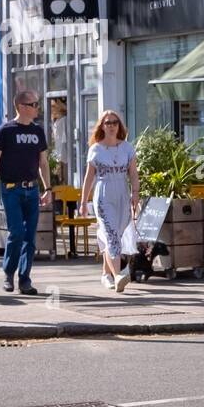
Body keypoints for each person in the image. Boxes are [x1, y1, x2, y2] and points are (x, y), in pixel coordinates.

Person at [0, 89, 53, 295]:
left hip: (32, 189)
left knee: (30, 236)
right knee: (16, 232)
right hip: (11, 189)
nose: (37, 108)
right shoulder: (6, 130)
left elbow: (43, 162)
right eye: (34, 104)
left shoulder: (37, 131)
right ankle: (8, 274)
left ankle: (25, 279)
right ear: (21, 107)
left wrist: (48, 188)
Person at [79, 110, 140, 293]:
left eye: (115, 122)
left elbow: (133, 174)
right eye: (108, 123)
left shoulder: (127, 148)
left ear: (119, 126)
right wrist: (83, 202)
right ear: (102, 126)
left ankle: (106, 274)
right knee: (111, 234)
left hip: (122, 193)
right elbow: (89, 178)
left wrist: (135, 193)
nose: (112, 126)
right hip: (103, 194)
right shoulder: (96, 149)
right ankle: (118, 275)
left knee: (116, 235)